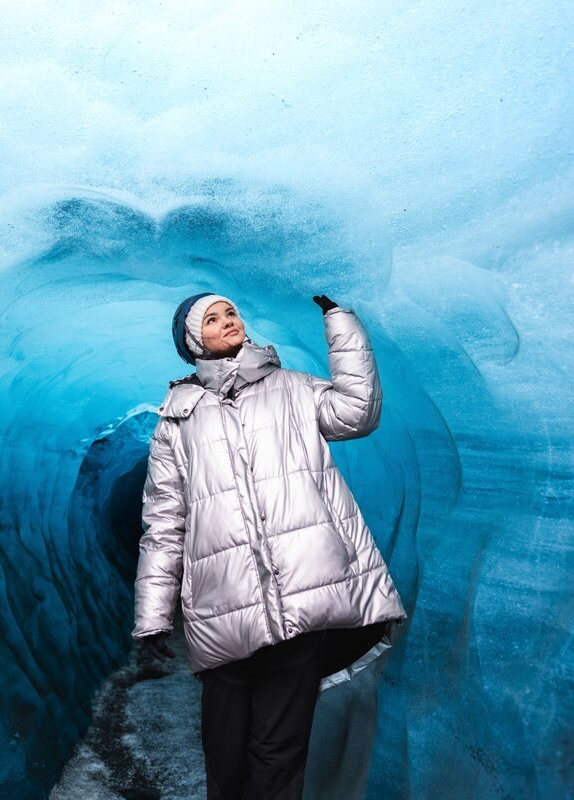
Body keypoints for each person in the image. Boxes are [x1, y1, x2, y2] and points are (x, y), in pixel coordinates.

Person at [132, 291, 408, 799]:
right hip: (222, 607)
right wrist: (153, 614)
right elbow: (165, 522)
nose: (227, 322)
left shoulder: (292, 389)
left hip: (301, 596)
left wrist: (339, 321)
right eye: (210, 319)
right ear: (193, 341)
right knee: (226, 753)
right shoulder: (176, 424)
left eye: (231, 311)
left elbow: (358, 412)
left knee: (278, 754)